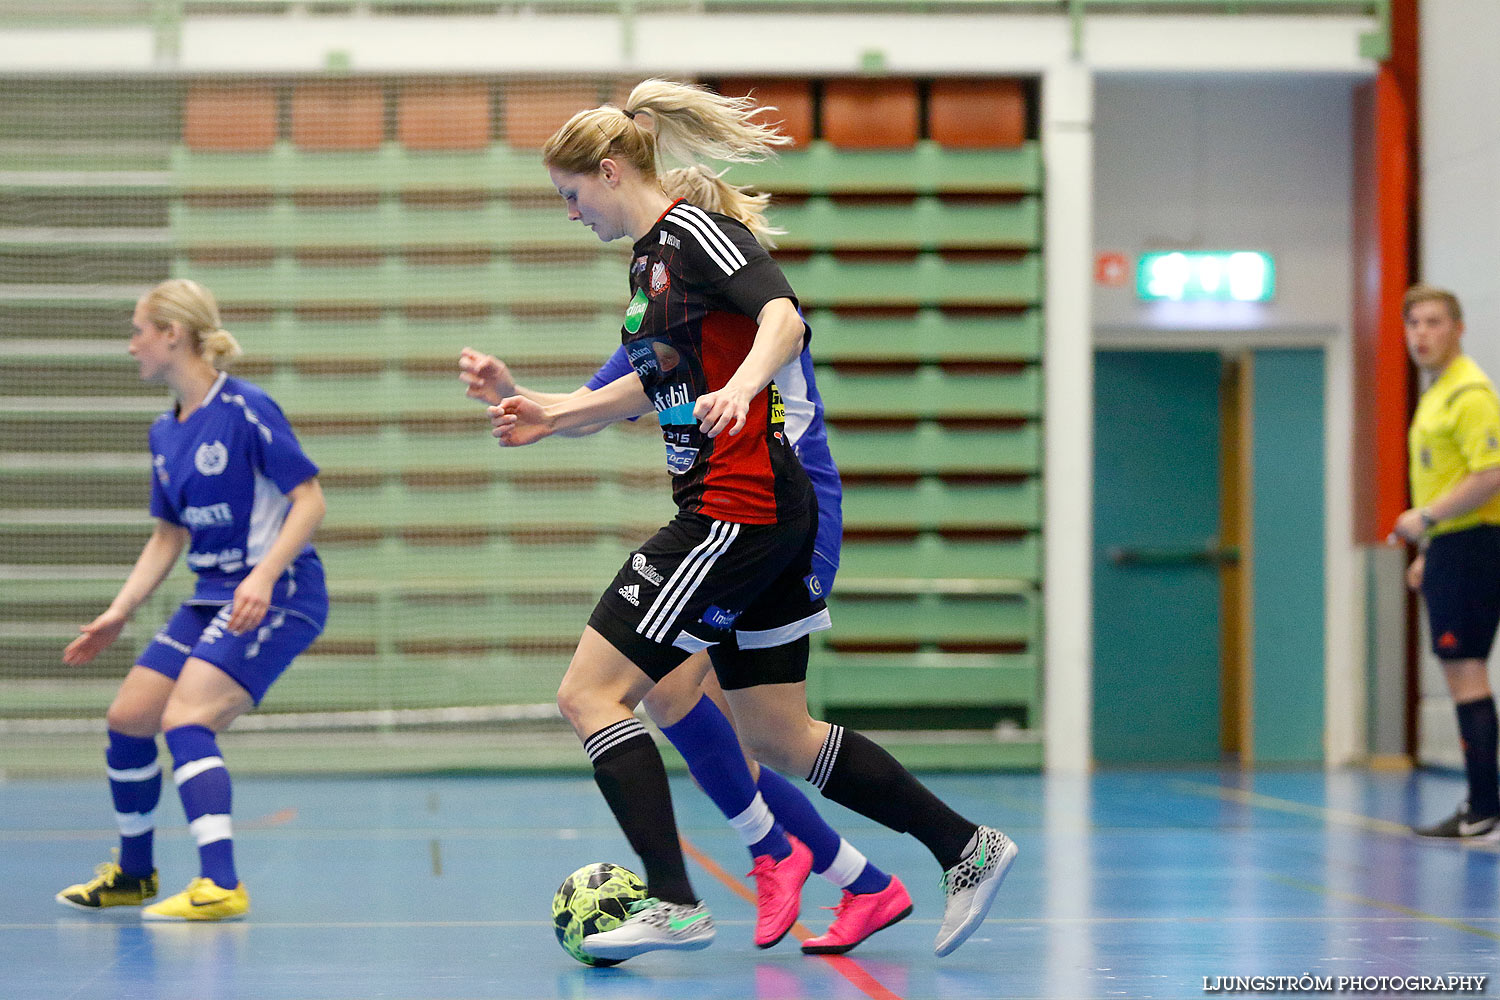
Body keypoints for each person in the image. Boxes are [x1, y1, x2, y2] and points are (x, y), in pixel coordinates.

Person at [488, 79, 1016, 961]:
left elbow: (785, 318)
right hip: (758, 511)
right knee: (775, 733)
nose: (570, 214)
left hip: (737, 509)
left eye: (571, 197)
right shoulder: (649, 263)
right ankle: (965, 848)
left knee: (591, 692)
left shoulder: (695, 233)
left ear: (610, 171)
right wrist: (549, 412)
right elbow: (651, 386)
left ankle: (677, 901)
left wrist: (741, 385)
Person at [461, 165, 912, 955]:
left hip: (785, 507)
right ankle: (837, 869)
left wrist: (735, 386)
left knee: (706, 708)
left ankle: (796, 856)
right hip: (739, 510)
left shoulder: (726, 289)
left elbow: (781, 325)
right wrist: (519, 393)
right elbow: (603, 398)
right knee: (681, 698)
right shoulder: (668, 304)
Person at [55, 278, 329, 919]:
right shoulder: (164, 433)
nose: (132, 347)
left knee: (186, 719)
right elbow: (168, 535)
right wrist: (117, 612)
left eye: (138, 332)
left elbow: (309, 500)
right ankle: (134, 874)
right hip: (210, 596)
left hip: (280, 594)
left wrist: (262, 576)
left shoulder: (246, 407)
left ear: (172, 334)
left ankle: (221, 885)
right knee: (128, 720)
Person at [1390, 284, 1500, 840]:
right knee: (1462, 671)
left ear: (1458, 328)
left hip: (1476, 543)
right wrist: (1430, 554)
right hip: (1453, 548)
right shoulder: (1435, 395)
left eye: (1434, 322)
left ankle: (1485, 808)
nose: (1422, 334)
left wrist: (1426, 520)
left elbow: (1490, 474)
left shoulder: (1469, 394)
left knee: (1465, 671)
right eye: (1414, 324)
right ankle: (1481, 805)